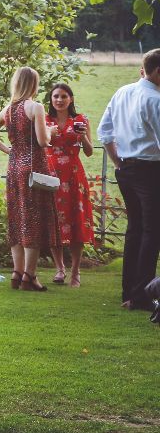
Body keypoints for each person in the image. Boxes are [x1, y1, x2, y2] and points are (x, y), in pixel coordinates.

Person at [0, 67, 56, 292]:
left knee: (17, 217)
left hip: (14, 167)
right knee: (33, 219)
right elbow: (43, 142)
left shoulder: (9, 109)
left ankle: (17, 272)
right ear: (34, 84)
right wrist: (51, 130)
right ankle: (30, 276)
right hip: (34, 167)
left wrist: (10, 151)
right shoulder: (36, 107)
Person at [97, 48, 160, 312]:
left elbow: (104, 132)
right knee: (152, 231)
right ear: (157, 71)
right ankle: (143, 294)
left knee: (134, 230)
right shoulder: (155, 100)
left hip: (125, 170)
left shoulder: (122, 92)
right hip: (150, 170)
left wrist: (118, 163)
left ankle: (129, 293)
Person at [45, 83, 95, 287]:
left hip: (74, 177)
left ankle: (75, 271)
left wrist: (82, 137)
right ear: (51, 99)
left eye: (64, 96)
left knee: (77, 222)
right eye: (55, 96)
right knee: (53, 223)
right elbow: (39, 144)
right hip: (50, 175)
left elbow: (90, 152)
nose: (59, 100)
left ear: (71, 99)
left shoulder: (81, 120)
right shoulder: (45, 120)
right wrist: (50, 134)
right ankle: (59, 269)